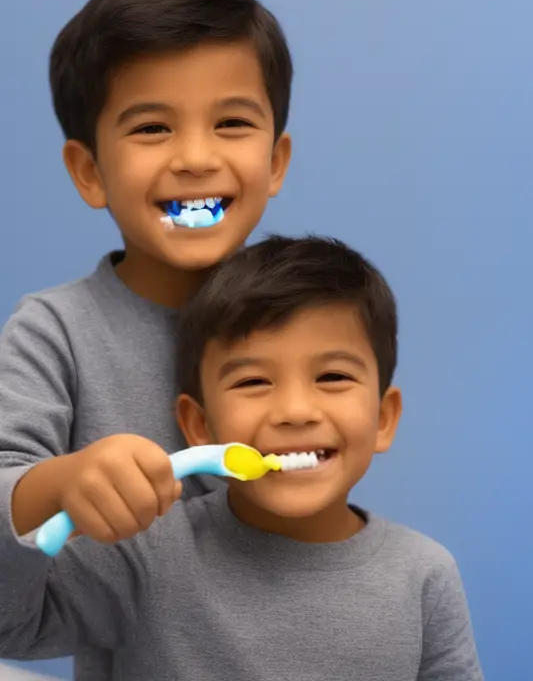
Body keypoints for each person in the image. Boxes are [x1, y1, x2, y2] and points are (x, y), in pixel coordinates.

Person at [0, 235, 484, 681]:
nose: (295, 411)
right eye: (253, 382)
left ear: (383, 418)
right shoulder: (145, 555)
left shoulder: (425, 575)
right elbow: (11, 625)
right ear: (199, 428)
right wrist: (55, 487)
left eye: (333, 377)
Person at [0, 0, 293, 679]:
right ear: (90, 171)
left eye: (231, 122)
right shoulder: (54, 334)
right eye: (153, 127)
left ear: (276, 159)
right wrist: (62, 483)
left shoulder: (307, 315)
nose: (196, 158)